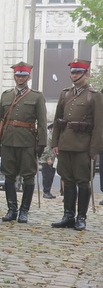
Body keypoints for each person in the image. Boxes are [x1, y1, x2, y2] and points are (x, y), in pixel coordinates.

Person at [50, 59, 103, 231]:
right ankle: (68, 215)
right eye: (72, 72)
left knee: (83, 182)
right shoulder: (65, 93)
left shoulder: (94, 95)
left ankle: (81, 217)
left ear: (86, 74)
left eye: (78, 72)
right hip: (65, 144)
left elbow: (99, 125)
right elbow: (58, 121)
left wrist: (94, 149)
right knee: (68, 180)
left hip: (83, 146)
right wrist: (55, 143)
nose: (74, 75)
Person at [0, 62, 47, 223]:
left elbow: (42, 122)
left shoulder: (36, 96)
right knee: (9, 175)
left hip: (27, 141)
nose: (20, 78)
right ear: (14, 76)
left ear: (29, 77)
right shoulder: (6, 95)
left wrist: (41, 143)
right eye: (17, 75)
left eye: (23, 75)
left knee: (28, 176)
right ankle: (11, 209)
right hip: (8, 140)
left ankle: (24, 211)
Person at [40, 123, 56, 199]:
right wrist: (48, 158)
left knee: (51, 176)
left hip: (52, 158)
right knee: (47, 176)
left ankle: (48, 191)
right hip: (46, 159)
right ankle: (46, 192)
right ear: (50, 129)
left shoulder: (53, 137)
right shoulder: (48, 137)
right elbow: (46, 148)